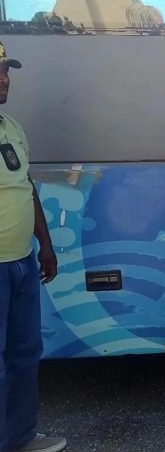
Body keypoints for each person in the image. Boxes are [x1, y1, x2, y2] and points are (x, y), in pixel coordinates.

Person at [0, 41, 67, 452]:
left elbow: (26, 187)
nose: (4, 78)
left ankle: (18, 438)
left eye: (5, 70)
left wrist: (45, 244)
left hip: (22, 261)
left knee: (25, 353)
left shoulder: (12, 127)